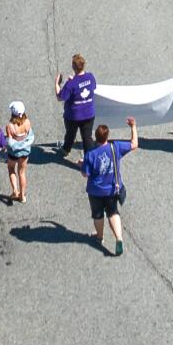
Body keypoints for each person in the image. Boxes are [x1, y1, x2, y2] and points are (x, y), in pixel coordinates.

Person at [82, 119, 137, 255]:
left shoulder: (90, 154)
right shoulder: (115, 147)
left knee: (98, 214)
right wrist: (133, 127)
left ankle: (99, 237)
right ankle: (118, 238)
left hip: (96, 191)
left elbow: (85, 173)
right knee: (113, 212)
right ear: (107, 136)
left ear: (96, 137)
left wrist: (81, 163)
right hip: (112, 188)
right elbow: (134, 144)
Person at [56, 54, 99, 155]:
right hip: (89, 114)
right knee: (87, 137)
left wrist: (57, 84)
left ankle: (66, 149)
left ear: (73, 67)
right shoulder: (91, 77)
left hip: (73, 116)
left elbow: (60, 97)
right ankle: (89, 158)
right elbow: (93, 87)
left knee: (70, 134)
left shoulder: (71, 83)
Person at [3, 103, 33, 205]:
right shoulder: (27, 122)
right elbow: (29, 135)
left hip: (13, 153)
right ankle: (22, 196)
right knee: (22, 173)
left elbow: (9, 141)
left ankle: (15, 191)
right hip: (25, 152)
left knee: (11, 169)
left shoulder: (10, 126)